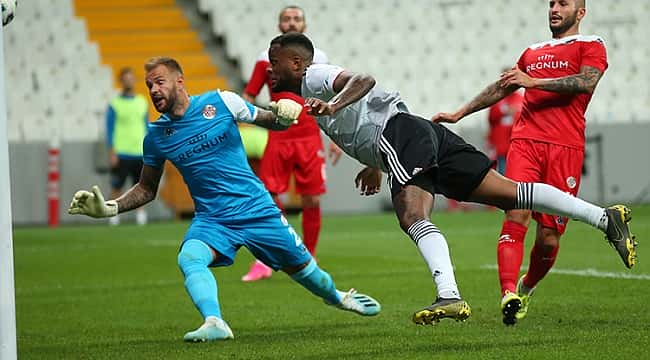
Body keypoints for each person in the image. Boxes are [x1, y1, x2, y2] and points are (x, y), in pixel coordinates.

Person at [267, 32, 636, 326]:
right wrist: (377, 162)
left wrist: (333, 106)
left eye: (275, 62)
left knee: (413, 216)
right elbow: (385, 108)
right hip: (416, 133)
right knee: (511, 194)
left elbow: (365, 79)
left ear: (297, 63)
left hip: (401, 136)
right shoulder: (305, 88)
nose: (270, 69)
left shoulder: (313, 76)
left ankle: (449, 294)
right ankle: (604, 218)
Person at [68, 57, 380, 342]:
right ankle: (214, 321)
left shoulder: (222, 102)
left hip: (257, 210)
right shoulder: (156, 136)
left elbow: (269, 120)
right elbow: (146, 188)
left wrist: (283, 117)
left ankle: (338, 297)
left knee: (305, 271)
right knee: (189, 258)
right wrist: (111, 207)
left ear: (180, 81)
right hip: (212, 220)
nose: (153, 89)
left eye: (160, 81)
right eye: (149, 85)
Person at [433, 0, 622, 325]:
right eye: (551, 3)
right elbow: (502, 87)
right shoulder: (531, 52)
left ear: (581, 12)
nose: (554, 8)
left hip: (565, 148)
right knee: (516, 212)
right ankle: (509, 292)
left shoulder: (591, 45)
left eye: (563, 3)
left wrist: (533, 82)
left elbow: (586, 82)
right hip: (525, 143)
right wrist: (459, 113)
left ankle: (527, 286)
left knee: (549, 237)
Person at [241, 5, 342, 282]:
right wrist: (234, 117)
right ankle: (268, 258)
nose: (291, 22)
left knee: (311, 198)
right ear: (279, 24)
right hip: (278, 134)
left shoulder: (319, 58)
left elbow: (332, 99)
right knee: (270, 198)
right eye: (286, 19)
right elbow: (249, 95)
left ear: (305, 25)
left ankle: (309, 256)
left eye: (297, 18)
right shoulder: (266, 59)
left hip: (310, 136)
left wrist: (336, 137)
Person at [106, 67, 149, 226]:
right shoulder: (114, 104)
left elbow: (146, 126)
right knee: (117, 185)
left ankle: (141, 215)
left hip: (139, 151)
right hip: (122, 152)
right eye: (126, 78)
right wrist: (112, 151)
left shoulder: (142, 101)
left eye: (131, 78)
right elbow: (109, 129)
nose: (129, 81)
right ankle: (113, 213)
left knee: (141, 186)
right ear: (121, 81)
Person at [486, 71, 523, 175]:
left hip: (516, 145)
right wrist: (504, 112)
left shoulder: (520, 98)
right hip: (500, 146)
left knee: (515, 175)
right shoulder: (497, 98)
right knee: (502, 174)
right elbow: (491, 118)